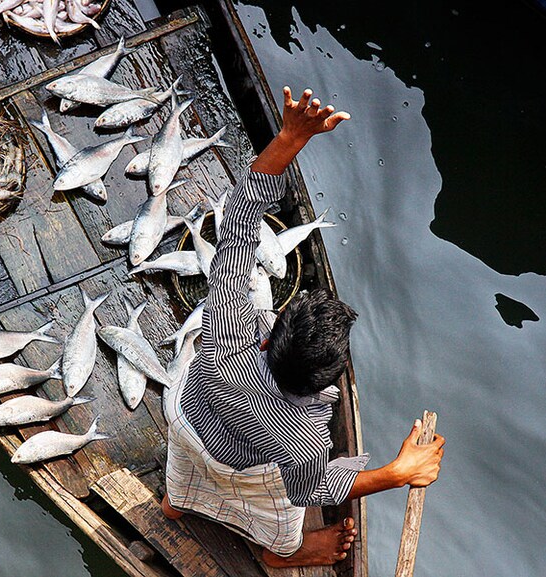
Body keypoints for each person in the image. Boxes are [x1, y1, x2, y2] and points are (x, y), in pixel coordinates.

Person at [162, 86, 445, 568]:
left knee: (183, 474)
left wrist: (292, 136)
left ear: (269, 336)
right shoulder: (307, 435)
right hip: (252, 475)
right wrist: (396, 473)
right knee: (283, 514)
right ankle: (279, 554)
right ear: (328, 384)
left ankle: (178, 503)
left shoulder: (225, 335)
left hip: (188, 431)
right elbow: (311, 487)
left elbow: (236, 221)